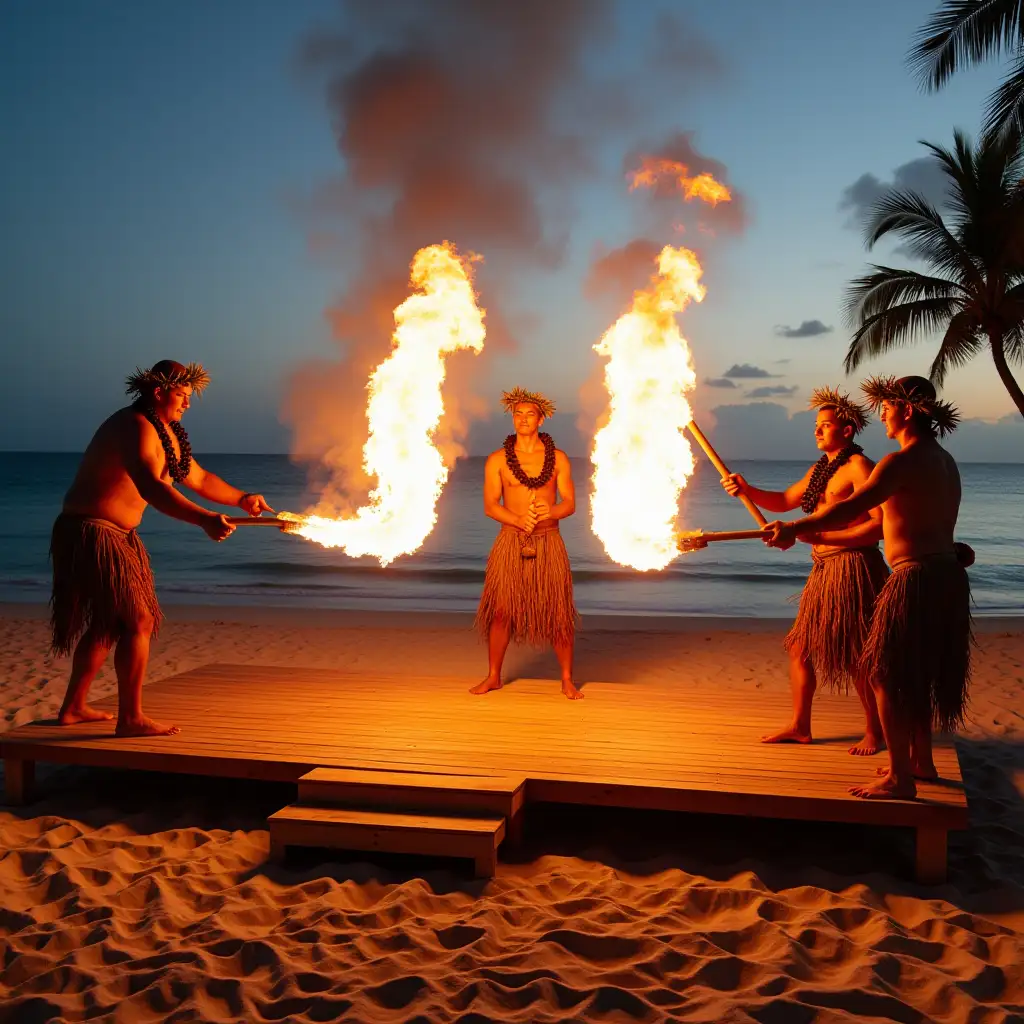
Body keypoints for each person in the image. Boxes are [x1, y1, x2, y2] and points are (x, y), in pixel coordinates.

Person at [764, 375, 972, 801]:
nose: (881, 415)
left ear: (908, 410)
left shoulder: (899, 463)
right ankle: (921, 762)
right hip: (945, 574)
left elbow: (854, 509)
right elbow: (928, 520)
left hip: (914, 577)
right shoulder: (944, 460)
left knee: (883, 672)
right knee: (917, 673)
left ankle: (900, 779)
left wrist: (795, 529)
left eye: (887, 408)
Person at [51, 359, 275, 737]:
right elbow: (152, 487)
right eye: (182, 396)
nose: (187, 404)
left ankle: (73, 706)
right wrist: (204, 519)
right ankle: (131, 718)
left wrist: (242, 499)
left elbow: (198, 476)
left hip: (119, 535)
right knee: (138, 620)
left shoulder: (168, 433)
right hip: (91, 532)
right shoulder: (133, 426)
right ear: (159, 392)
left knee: (109, 624)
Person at [722, 386, 888, 754]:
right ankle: (800, 726)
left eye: (825, 425)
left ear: (847, 431)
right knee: (800, 648)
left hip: (853, 568)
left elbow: (879, 525)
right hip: (824, 571)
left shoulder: (859, 467)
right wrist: (747, 490)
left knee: (859, 654)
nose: (817, 431)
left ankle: (875, 732)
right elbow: (783, 501)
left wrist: (824, 536)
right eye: (816, 425)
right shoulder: (821, 470)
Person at [471, 387, 581, 699]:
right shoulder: (497, 461)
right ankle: (493, 676)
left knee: (558, 611)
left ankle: (567, 679)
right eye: (517, 414)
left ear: (541, 419)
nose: (522, 419)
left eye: (529, 414)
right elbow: (491, 505)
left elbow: (570, 502)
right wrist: (518, 520)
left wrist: (553, 509)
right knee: (502, 611)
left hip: (549, 541)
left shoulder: (557, 459)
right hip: (510, 541)